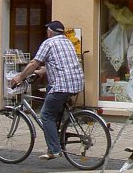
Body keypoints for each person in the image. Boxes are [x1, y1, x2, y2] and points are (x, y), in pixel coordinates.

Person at [10, 20, 85, 160]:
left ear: (50, 32)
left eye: (47, 31)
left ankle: (55, 150)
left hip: (62, 85)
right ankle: (55, 138)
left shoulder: (48, 43)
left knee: (46, 115)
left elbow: (34, 63)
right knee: (51, 97)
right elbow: (61, 64)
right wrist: (42, 71)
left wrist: (20, 77)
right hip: (76, 83)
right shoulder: (68, 42)